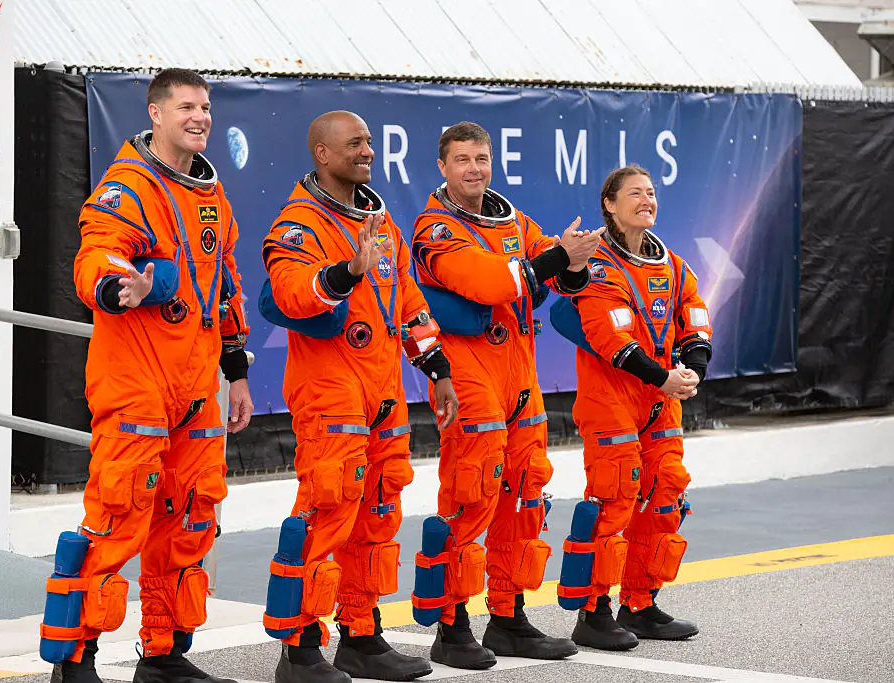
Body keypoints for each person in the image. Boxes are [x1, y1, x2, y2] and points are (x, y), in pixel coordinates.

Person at [44, 69, 253, 683]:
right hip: (136, 379)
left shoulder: (212, 196)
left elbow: (225, 288)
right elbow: (98, 252)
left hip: (195, 387)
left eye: (206, 107)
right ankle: (74, 660)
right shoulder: (128, 187)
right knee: (118, 514)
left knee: (191, 518)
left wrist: (235, 371)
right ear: (155, 113)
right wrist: (120, 284)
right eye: (186, 106)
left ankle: (164, 654)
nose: (200, 117)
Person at [261, 111, 459, 683]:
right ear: (322, 153)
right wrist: (346, 272)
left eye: (370, 141)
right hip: (330, 391)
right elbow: (293, 295)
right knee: (325, 514)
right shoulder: (297, 224)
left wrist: (437, 368)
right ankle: (298, 650)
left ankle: (361, 636)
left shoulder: (379, 218)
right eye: (355, 143)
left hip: (384, 392)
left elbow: (410, 304)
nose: (367, 150)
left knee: (377, 516)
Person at [408, 121, 603, 669]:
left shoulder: (511, 218)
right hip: (470, 373)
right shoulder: (435, 229)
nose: (474, 168)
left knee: (525, 494)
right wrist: (557, 258)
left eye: (482, 158)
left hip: (520, 374)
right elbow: (492, 284)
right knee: (472, 497)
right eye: (463, 159)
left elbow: (558, 272)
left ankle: (508, 614)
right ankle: (452, 624)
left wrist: (577, 260)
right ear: (443, 167)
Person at [554, 164, 711, 649]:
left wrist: (692, 369)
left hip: (661, 400)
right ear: (609, 204)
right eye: (635, 193)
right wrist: (665, 378)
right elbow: (608, 337)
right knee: (615, 499)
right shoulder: (596, 267)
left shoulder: (675, 266)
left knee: (666, 492)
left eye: (652, 192)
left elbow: (695, 319)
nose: (647, 199)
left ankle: (640, 602)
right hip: (611, 399)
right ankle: (593, 612)